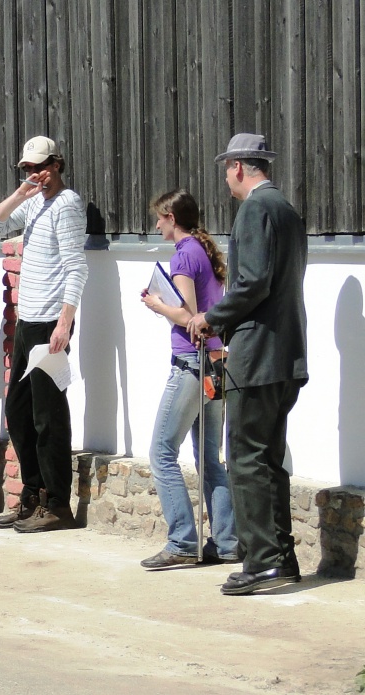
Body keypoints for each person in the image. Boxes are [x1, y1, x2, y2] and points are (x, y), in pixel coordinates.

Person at [187, 133, 308, 596]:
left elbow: (253, 282)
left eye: (227, 169)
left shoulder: (256, 209)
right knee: (268, 458)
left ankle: (262, 561)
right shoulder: (286, 209)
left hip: (257, 355)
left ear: (238, 167)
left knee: (244, 458)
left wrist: (211, 317)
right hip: (285, 352)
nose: (226, 179)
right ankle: (281, 556)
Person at [0, 136, 88, 533]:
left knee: (48, 416)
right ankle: (33, 493)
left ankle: (57, 504)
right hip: (27, 320)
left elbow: (76, 267)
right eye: (27, 168)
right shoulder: (35, 203)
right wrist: (21, 193)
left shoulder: (67, 204)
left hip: (51, 322)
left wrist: (65, 322)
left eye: (40, 167)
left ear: (56, 164)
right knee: (19, 412)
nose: (35, 174)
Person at [139, 189, 239, 569]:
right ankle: (227, 543)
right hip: (215, 361)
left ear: (171, 217)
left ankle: (182, 540)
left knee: (161, 452)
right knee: (210, 457)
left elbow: (189, 317)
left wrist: (155, 303)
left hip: (191, 363)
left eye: (159, 218)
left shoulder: (183, 255)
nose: (156, 225)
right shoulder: (202, 250)